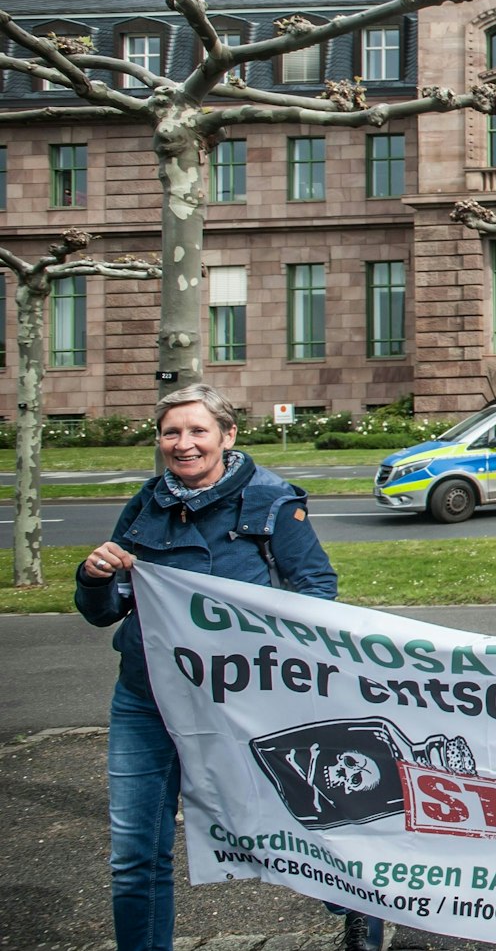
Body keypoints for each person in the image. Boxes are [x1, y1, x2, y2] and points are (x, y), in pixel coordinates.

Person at [75, 385, 386, 951]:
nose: (184, 444)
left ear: (227, 435)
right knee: (134, 850)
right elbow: (104, 611)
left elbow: (315, 589)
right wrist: (93, 578)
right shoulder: (145, 505)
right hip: (147, 699)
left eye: (198, 431)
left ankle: (360, 914)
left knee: (301, 822)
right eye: (172, 432)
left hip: (247, 702)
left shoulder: (272, 500)